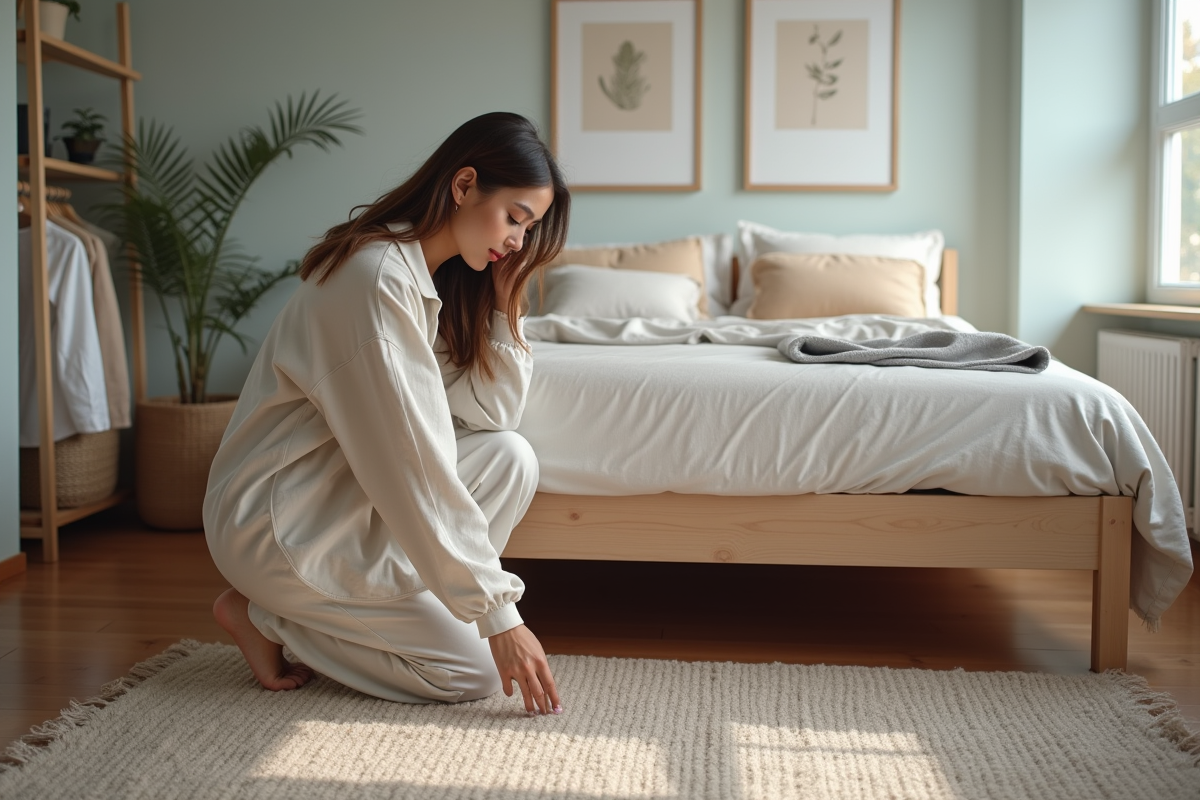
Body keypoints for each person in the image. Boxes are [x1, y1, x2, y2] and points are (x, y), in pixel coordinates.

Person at [203, 112, 571, 716]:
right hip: (281, 521)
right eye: (514, 218)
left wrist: (506, 306)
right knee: (474, 671)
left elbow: (494, 413)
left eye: (528, 230)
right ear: (464, 185)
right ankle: (266, 614)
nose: (517, 243)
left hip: (336, 499)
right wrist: (499, 616)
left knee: (509, 457)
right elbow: (412, 463)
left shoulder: (428, 277)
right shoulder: (376, 281)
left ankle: (380, 609)